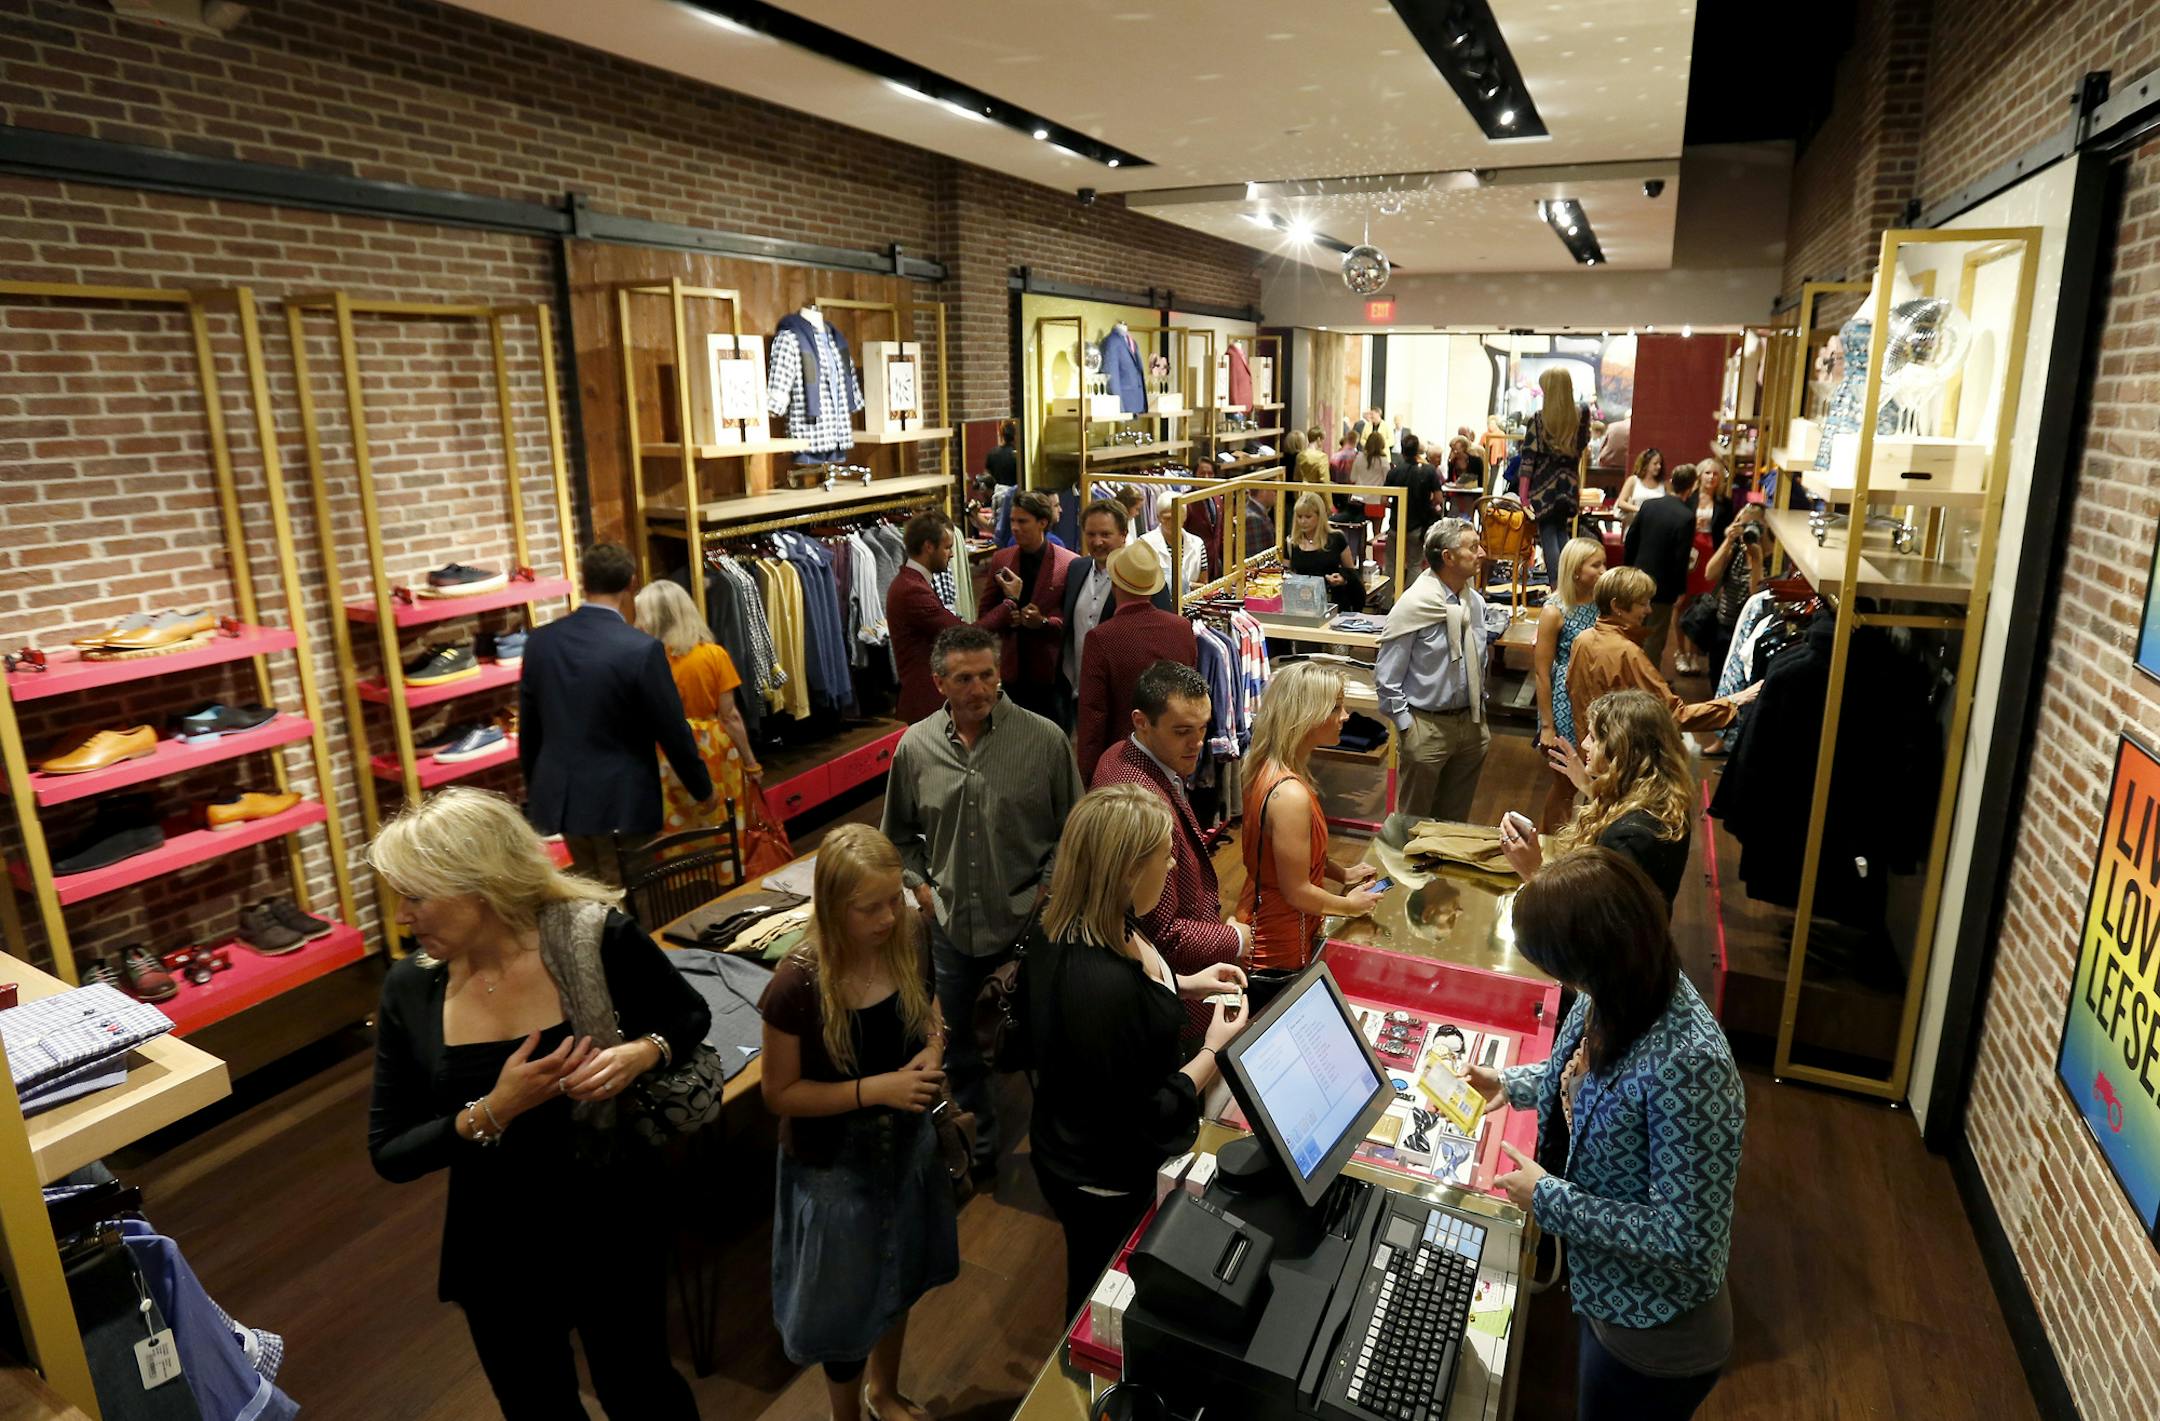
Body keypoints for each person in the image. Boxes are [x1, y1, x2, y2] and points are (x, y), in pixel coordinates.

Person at [366, 787, 708, 1420]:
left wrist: (641, 1053)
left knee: (640, 1390)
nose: (403, 916)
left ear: (477, 885)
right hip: (496, 1241)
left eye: (416, 896)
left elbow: (687, 1016)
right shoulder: (410, 988)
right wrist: (492, 1109)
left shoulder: (597, 938)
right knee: (536, 1405)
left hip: (610, 1215)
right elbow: (389, 1151)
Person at [1479, 849, 1743, 1420]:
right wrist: (1514, 1082)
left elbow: (1685, 1237)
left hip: (1655, 1333)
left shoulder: (1692, 1066)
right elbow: (1583, 1074)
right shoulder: (1621, 991)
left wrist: (1549, 1199)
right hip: (1606, 1292)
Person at [1026, 785, 1249, 1322]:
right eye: (1164, 856)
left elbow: (1140, 983)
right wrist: (1213, 1052)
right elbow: (1145, 1110)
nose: (1173, 864)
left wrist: (1186, 983)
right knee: (1098, 1294)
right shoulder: (1098, 985)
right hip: (1099, 1172)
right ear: (1127, 870)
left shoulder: (1097, 917)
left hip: (1079, 1141)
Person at [759, 824, 954, 1421]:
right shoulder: (797, 985)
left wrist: (935, 1047)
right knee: (844, 1313)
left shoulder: (910, 937)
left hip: (906, 1150)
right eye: (869, 907)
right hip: (833, 1172)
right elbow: (781, 1094)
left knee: (899, 1283)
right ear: (831, 906)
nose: (887, 918)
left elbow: (931, 1010)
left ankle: (883, 1392)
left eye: (894, 899)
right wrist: (879, 1090)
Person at [881, 625, 1083, 1180]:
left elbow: (1073, 830)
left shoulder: (1043, 741)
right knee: (962, 1045)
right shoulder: (914, 748)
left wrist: (1045, 888)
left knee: (1044, 1037)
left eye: (988, 675)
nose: (979, 688)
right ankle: (985, 1147)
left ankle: (1054, 1146)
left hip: (1028, 924)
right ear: (939, 682)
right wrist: (921, 889)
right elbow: (896, 837)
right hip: (951, 926)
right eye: (964, 678)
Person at [519, 542, 709, 886]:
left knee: (588, 894)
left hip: (563, 797)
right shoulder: (640, 649)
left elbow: (530, 731)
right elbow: (671, 729)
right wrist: (703, 790)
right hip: (622, 798)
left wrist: (538, 794)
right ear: (632, 583)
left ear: (584, 580)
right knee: (631, 897)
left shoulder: (541, 642)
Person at [1090, 661, 1249, 1037]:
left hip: (1172, 980)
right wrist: (1235, 938)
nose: (1197, 743)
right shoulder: (1143, 800)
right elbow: (1160, 930)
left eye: (1203, 728)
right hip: (1167, 1000)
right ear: (1141, 721)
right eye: (1182, 731)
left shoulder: (1120, 754)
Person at [1237, 661, 1384, 984]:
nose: (1345, 716)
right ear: (1306, 715)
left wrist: (1340, 873)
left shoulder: (1264, 765)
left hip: (1268, 921)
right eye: (1335, 707)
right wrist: (1349, 905)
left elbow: (1285, 856)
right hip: (1279, 949)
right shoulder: (1289, 795)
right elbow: (1297, 892)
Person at [1500, 689, 1697, 909]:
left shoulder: (1628, 837)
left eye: (1594, 738)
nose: (1584, 744)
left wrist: (1533, 873)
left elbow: (1595, 919)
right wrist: (1586, 785)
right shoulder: (1663, 799)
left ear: (1621, 749)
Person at [1376, 520, 1513, 834]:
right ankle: (1405, 883)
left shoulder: (1473, 602)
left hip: (1472, 724)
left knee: (1454, 824)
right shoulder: (1413, 605)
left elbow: (1477, 659)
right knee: (1410, 824)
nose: (1481, 553)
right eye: (1472, 546)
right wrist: (1408, 727)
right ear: (1448, 557)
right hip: (1427, 726)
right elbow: (1387, 675)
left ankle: (1438, 882)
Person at [633, 579, 759, 840]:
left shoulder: (644, 660)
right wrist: (751, 762)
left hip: (664, 752)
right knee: (720, 821)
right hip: (714, 750)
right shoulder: (714, 656)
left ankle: (683, 874)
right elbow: (730, 716)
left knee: (676, 826)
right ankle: (725, 869)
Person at [1567, 567, 1756, 736]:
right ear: (1617, 606)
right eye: (1642, 603)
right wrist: (1734, 701)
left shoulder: (1582, 640)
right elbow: (1673, 714)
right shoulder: (1628, 653)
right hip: (1620, 757)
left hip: (1588, 749)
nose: (1649, 610)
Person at [1074, 543, 1198, 783]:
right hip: (1172, 760)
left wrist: (1088, 777)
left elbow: (1093, 716)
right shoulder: (1181, 628)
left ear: (1115, 583)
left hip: (1122, 764)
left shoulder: (1101, 638)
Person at [886, 511, 1017, 723]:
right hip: (927, 704)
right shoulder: (912, 590)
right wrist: (1009, 603)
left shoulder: (912, 582)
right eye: (947, 547)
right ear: (929, 546)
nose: (952, 554)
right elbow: (963, 634)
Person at [1533, 535, 1607, 832]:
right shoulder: (1555, 611)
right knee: (1565, 784)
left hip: (1597, 698)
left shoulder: (1603, 604)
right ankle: (1547, 848)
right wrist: (1548, 725)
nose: (1604, 570)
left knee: (1597, 780)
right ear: (1576, 570)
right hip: (1565, 705)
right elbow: (1541, 671)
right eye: (1596, 565)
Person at [983, 489, 1075, 719]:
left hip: (1053, 671)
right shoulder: (1002, 559)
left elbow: (1076, 621)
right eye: (1012, 521)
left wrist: (1043, 622)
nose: (1015, 527)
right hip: (1014, 670)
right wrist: (1006, 617)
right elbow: (985, 615)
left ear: (1042, 522)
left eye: (1022, 521)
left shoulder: (1068, 563)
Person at [1061, 499, 1133, 728]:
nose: (1097, 542)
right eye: (1090, 534)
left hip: (1120, 700)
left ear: (1123, 534)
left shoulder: (1142, 577)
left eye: (1105, 534)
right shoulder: (1076, 568)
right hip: (1078, 695)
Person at [1622, 463, 1700, 677]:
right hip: (1663, 587)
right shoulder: (1686, 517)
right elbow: (1680, 557)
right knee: (1654, 637)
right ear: (1692, 487)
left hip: (1637, 578)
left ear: (1672, 482)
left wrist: (1628, 569)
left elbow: (1631, 539)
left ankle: (1625, 676)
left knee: (1631, 630)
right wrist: (1680, 590)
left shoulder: (1649, 506)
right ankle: (1646, 683)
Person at [1522, 367, 1590, 584]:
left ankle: (1557, 586)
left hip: (1544, 487)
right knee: (1561, 532)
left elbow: (1528, 459)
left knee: (1548, 534)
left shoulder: (1539, 420)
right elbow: (1580, 449)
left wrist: (1524, 495)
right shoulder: (1579, 418)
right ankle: (1566, 586)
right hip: (1569, 485)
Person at [1676, 458, 1736, 675]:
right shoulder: (1688, 499)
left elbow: (1727, 531)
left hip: (1712, 554)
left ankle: (1693, 653)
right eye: (1707, 473)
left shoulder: (1725, 503)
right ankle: (1680, 652)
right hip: (1690, 553)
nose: (1711, 477)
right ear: (1699, 475)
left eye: (1715, 474)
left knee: (1702, 604)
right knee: (1682, 602)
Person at [1696, 502, 1767, 679]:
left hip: (1747, 630)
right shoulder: (1736, 549)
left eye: (1754, 525)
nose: (1749, 531)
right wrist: (1728, 541)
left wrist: (1756, 560)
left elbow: (1756, 597)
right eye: (1744, 525)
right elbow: (1709, 574)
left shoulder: (1771, 556)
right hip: (1723, 625)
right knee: (1716, 674)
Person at [1285, 490, 1363, 616]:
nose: (1303, 521)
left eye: (1308, 517)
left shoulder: (1337, 538)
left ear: (1319, 516)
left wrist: (1342, 578)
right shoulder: (1291, 542)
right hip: (1302, 607)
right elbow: (1287, 574)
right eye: (1299, 517)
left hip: (1333, 604)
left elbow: (1352, 573)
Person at [1141, 492, 1206, 600]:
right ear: (1158, 517)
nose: (1172, 523)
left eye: (1177, 517)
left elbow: (1204, 584)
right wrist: (1188, 586)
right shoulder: (1145, 543)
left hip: (1192, 606)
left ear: (1184, 516)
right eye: (1167, 518)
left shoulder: (1197, 544)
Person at [1615, 446, 1666, 529]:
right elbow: (1621, 503)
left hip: (1656, 527)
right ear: (1646, 464)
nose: (1659, 467)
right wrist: (1640, 510)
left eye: (1660, 464)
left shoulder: (1663, 485)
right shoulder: (1633, 481)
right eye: (1655, 463)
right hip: (1636, 526)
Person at [986, 419, 1019, 486]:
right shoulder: (1018, 455)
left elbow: (988, 476)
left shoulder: (992, 453)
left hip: (998, 492)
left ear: (1002, 435)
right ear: (1016, 436)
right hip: (1015, 493)